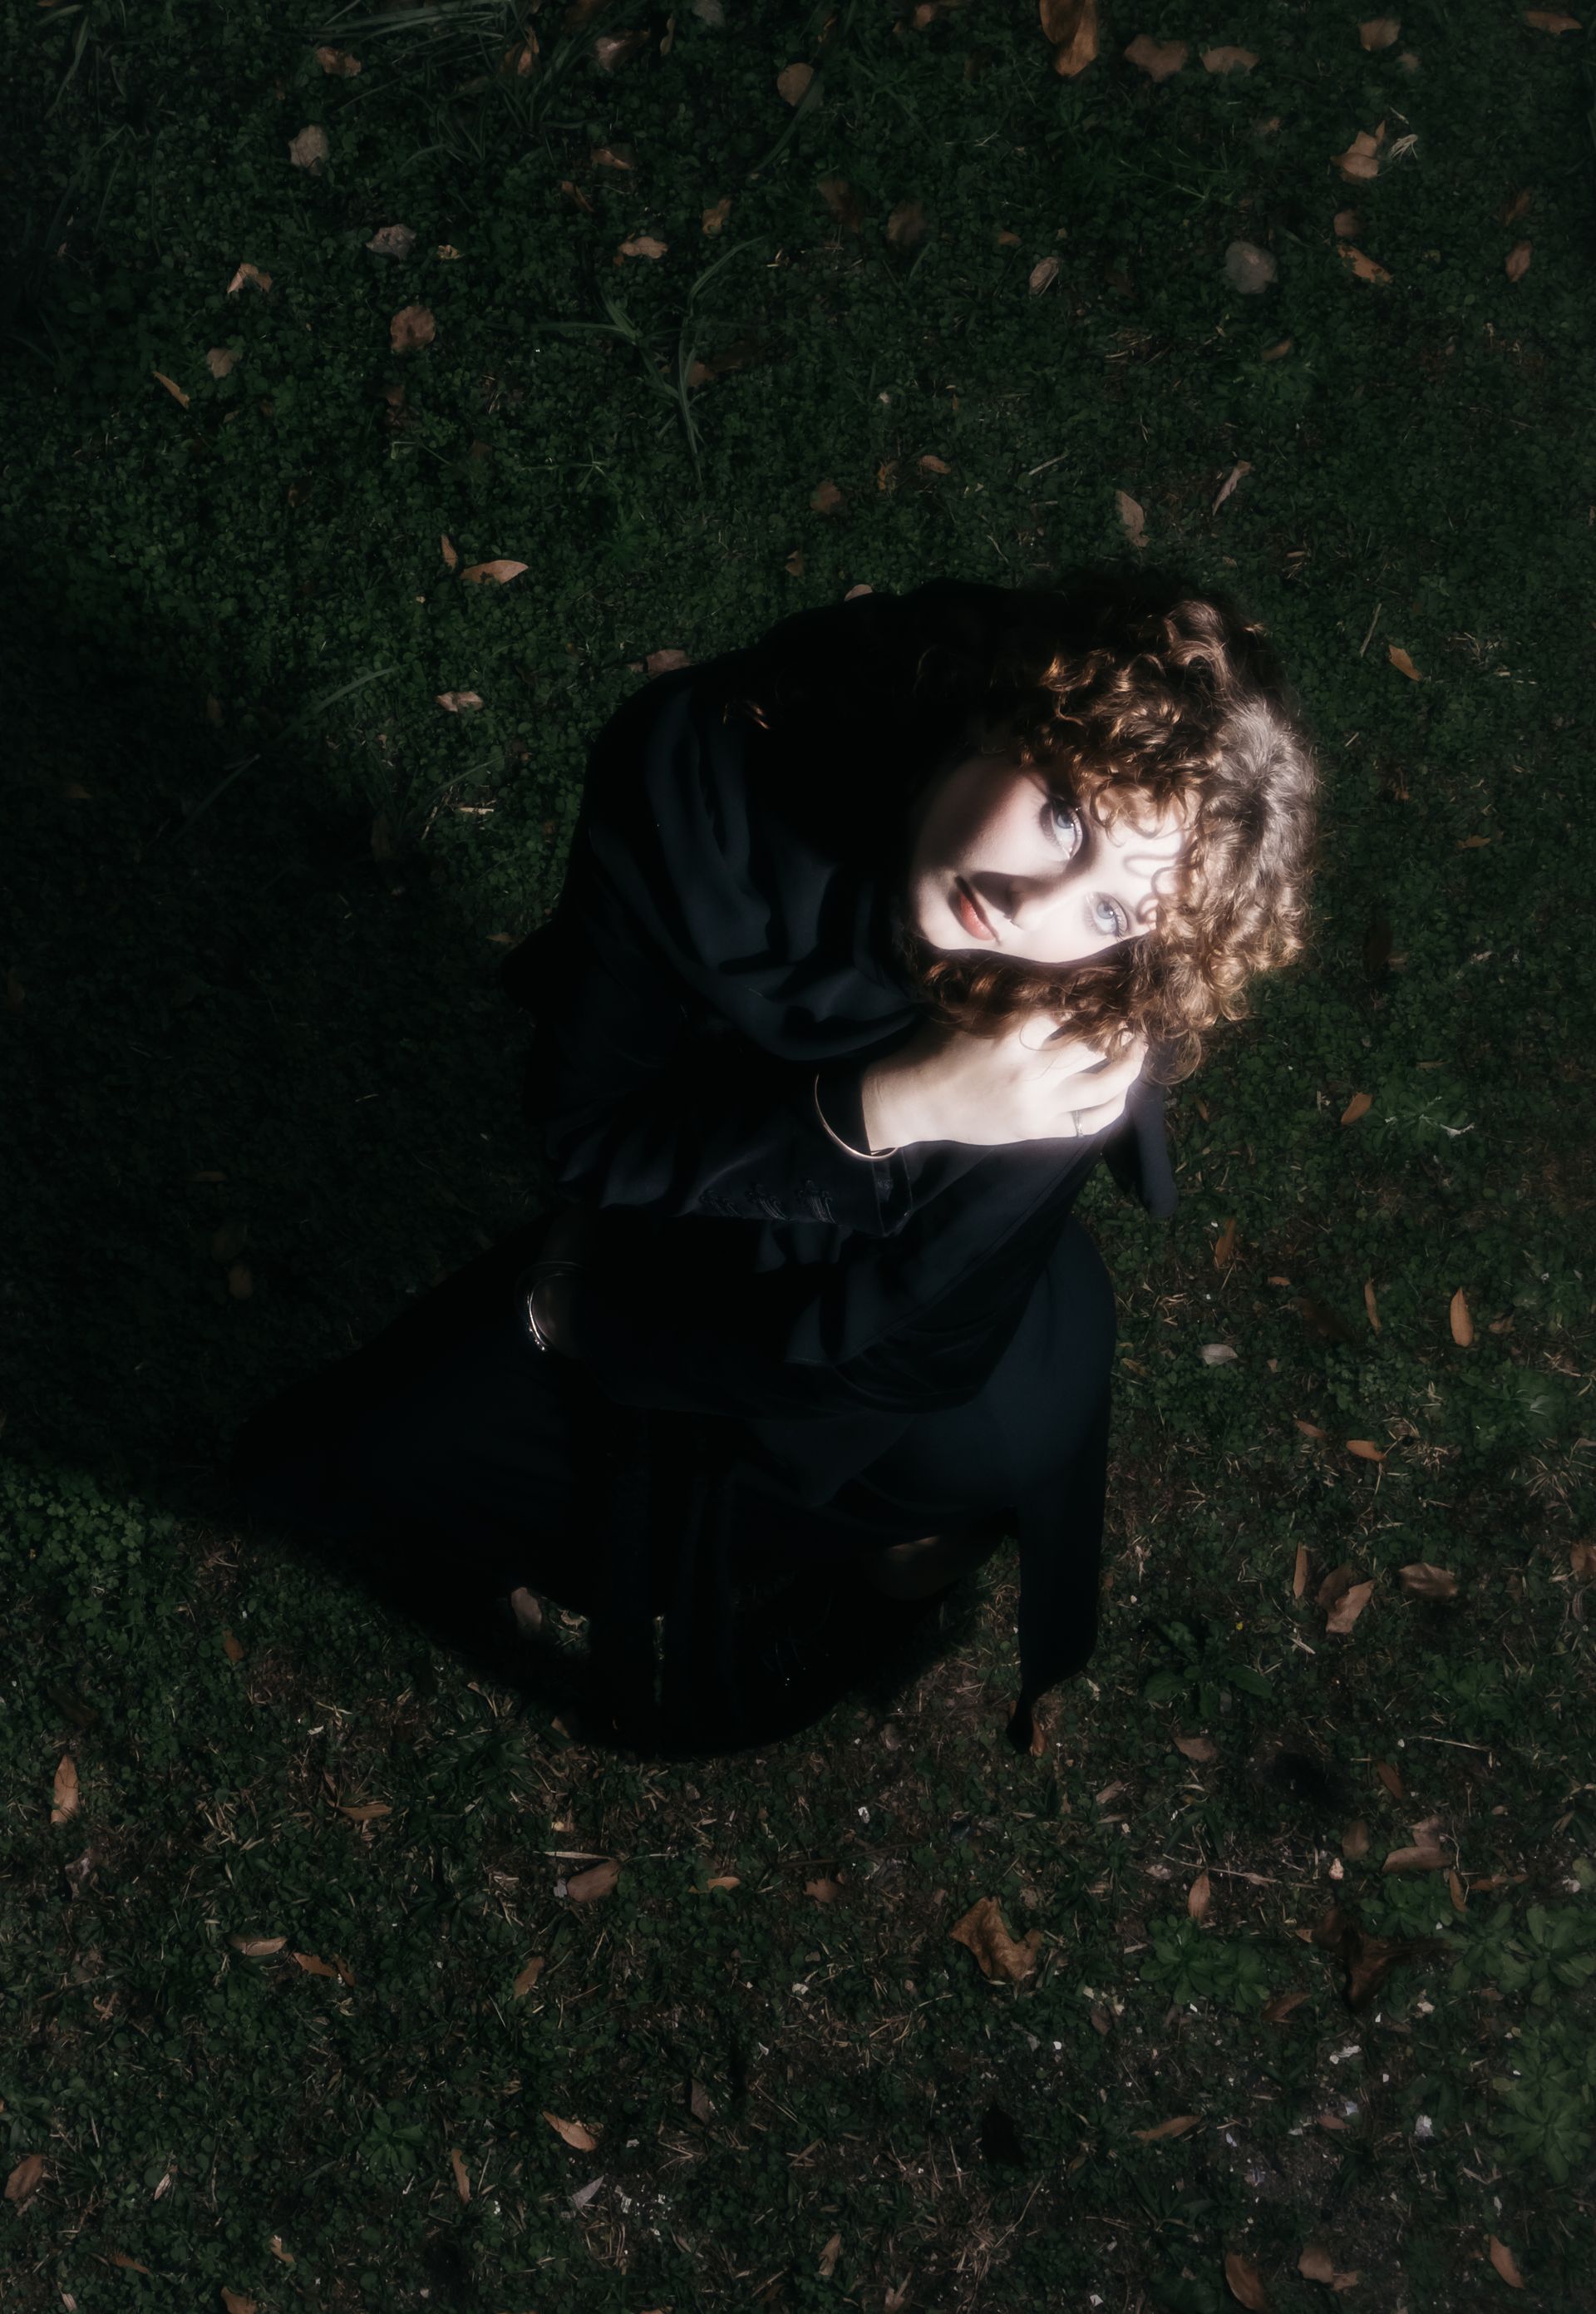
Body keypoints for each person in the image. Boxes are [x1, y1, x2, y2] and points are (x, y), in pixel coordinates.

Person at [224, 565, 1320, 1757]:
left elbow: (870, 1349)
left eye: (1114, 914)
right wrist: (888, 1105)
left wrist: (604, 1324)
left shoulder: (1076, 1027)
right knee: (365, 1453)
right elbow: (593, 1133)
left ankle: (902, 1572)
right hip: (727, 1234)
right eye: (1067, 814)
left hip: (899, 1359)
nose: (1034, 904)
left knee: (884, 1477)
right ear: (1012, 708)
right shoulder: (712, 771)